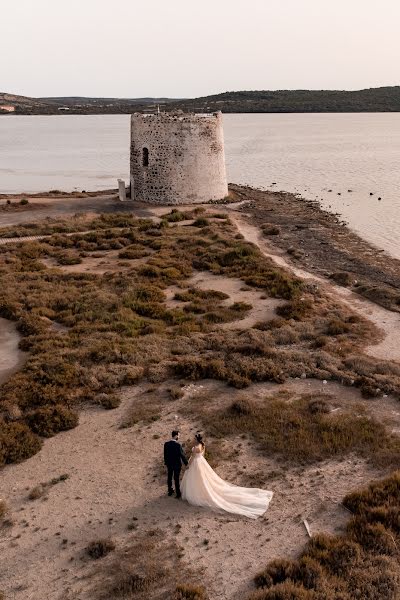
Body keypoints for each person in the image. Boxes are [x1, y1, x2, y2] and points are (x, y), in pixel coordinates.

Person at [181, 432, 273, 519]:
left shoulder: (196, 447)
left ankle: (198, 493)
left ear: (196, 439)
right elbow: (203, 455)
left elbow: (193, 457)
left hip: (196, 463)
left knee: (196, 479)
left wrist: (188, 465)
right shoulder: (203, 444)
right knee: (203, 479)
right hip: (201, 462)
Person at [164, 430, 188, 498]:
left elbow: (165, 455)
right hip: (177, 464)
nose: (179, 437)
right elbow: (182, 455)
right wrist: (186, 464)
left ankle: (170, 491)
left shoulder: (166, 444)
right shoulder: (178, 445)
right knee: (176, 478)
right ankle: (178, 493)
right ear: (176, 435)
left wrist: (166, 462)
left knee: (169, 477)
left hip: (169, 464)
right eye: (179, 435)